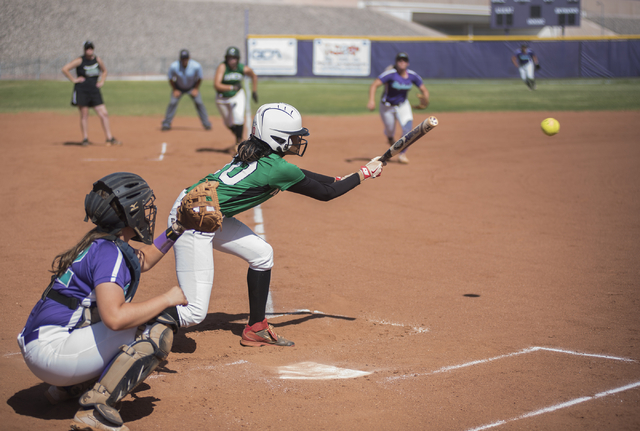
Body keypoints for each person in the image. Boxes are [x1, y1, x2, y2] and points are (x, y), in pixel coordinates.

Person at [168, 103, 384, 347]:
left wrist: (340, 178)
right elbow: (326, 194)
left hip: (204, 211)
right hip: (191, 219)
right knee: (194, 313)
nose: (297, 141)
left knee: (262, 254)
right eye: (293, 137)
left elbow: (303, 174)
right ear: (277, 138)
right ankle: (135, 324)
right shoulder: (278, 168)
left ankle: (256, 328)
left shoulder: (257, 153)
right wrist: (364, 173)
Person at [17, 172, 188, 431]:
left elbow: (142, 261)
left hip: (43, 344)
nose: (146, 211)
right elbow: (115, 319)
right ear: (129, 214)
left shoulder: (102, 242)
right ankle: (96, 411)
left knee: (123, 316)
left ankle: (70, 387)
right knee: (155, 326)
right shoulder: (110, 254)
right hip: (52, 354)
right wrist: (167, 298)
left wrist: (176, 230)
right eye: (142, 206)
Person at [367, 52, 430, 165]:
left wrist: (425, 100)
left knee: (408, 130)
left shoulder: (412, 75)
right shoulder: (390, 74)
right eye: (400, 60)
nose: (402, 62)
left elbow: (424, 90)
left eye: (404, 60)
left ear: (408, 63)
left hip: (403, 105)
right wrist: (371, 100)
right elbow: (374, 85)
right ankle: (391, 140)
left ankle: (402, 154)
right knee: (391, 131)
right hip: (387, 107)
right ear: (396, 62)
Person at [61, 41, 121, 146]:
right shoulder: (80, 60)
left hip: (94, 91)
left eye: (91, 48)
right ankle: (85, 139)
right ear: (84, 50)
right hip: (82, 90)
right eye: (87, 48)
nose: (89, 50)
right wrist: (74, 80)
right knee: (84, 114)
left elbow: (105, 71)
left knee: (104, 113)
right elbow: (65, 69)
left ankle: (109, 138)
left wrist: (102, 81)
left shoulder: (97, 60)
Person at [214, 46, 258, 153]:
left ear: (238, 59)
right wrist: (231, 87)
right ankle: (239, 137)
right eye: (229, 58)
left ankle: (238, 143)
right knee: (228, 123)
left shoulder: (242, 68)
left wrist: (254, 91)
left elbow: (253, 75)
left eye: (234, 58)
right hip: (222, 98)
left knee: (238, 117)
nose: (232, 60)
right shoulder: (223, 67)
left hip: (237, 95)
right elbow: (217, 85)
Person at [161, 49, 212, 131]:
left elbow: (199, 78)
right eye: (183, 59)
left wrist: (195, 89)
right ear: (180, 59)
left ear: (189, 58)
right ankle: (166, 123)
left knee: (199, 102)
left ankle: (206, 123)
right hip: (178, 87)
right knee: (172, 102)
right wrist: (175, 90)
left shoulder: (196, 66)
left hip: (192, 87)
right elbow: (170, 78)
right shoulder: (174, 66)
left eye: (186, 59)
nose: (184, 61)